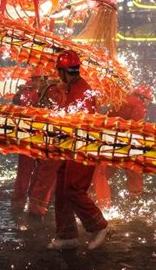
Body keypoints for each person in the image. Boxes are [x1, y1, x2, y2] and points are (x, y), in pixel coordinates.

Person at [47, 50, 109, 251]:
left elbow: (76, 121)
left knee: (73, 187)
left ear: (64, 71)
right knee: (62, 185)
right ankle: (66, 235)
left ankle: (99, 225)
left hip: (83, 146)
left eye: (59, 72)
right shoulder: (74, 88)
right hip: (73, 145)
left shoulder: (80, 90)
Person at [91, 83, 152, 206]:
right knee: (134, 165)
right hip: (122, 140)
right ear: (145, 98)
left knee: (107, 167)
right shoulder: (139, 105)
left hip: (108, 137)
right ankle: (136, 196)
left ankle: (93, 191)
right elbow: (136, 128)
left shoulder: (124, 99)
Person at [25, 71, 67, 217]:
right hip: (50, 139)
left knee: (44, 173)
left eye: (39, 79)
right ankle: (36, 207)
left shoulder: (50, 91)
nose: (37, 83)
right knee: (44, 173)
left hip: (50, 139)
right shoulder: (51, 91)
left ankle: (36, 207)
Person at [10, 66, 43, 211]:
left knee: (36, 172)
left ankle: (31, 202)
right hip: (29, 137)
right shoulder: (30, 93)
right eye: (37, 79)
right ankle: (20, 202)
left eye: (40, 80)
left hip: (37, 137)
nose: (38, 82)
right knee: (25, 171)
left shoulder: (30, 93)